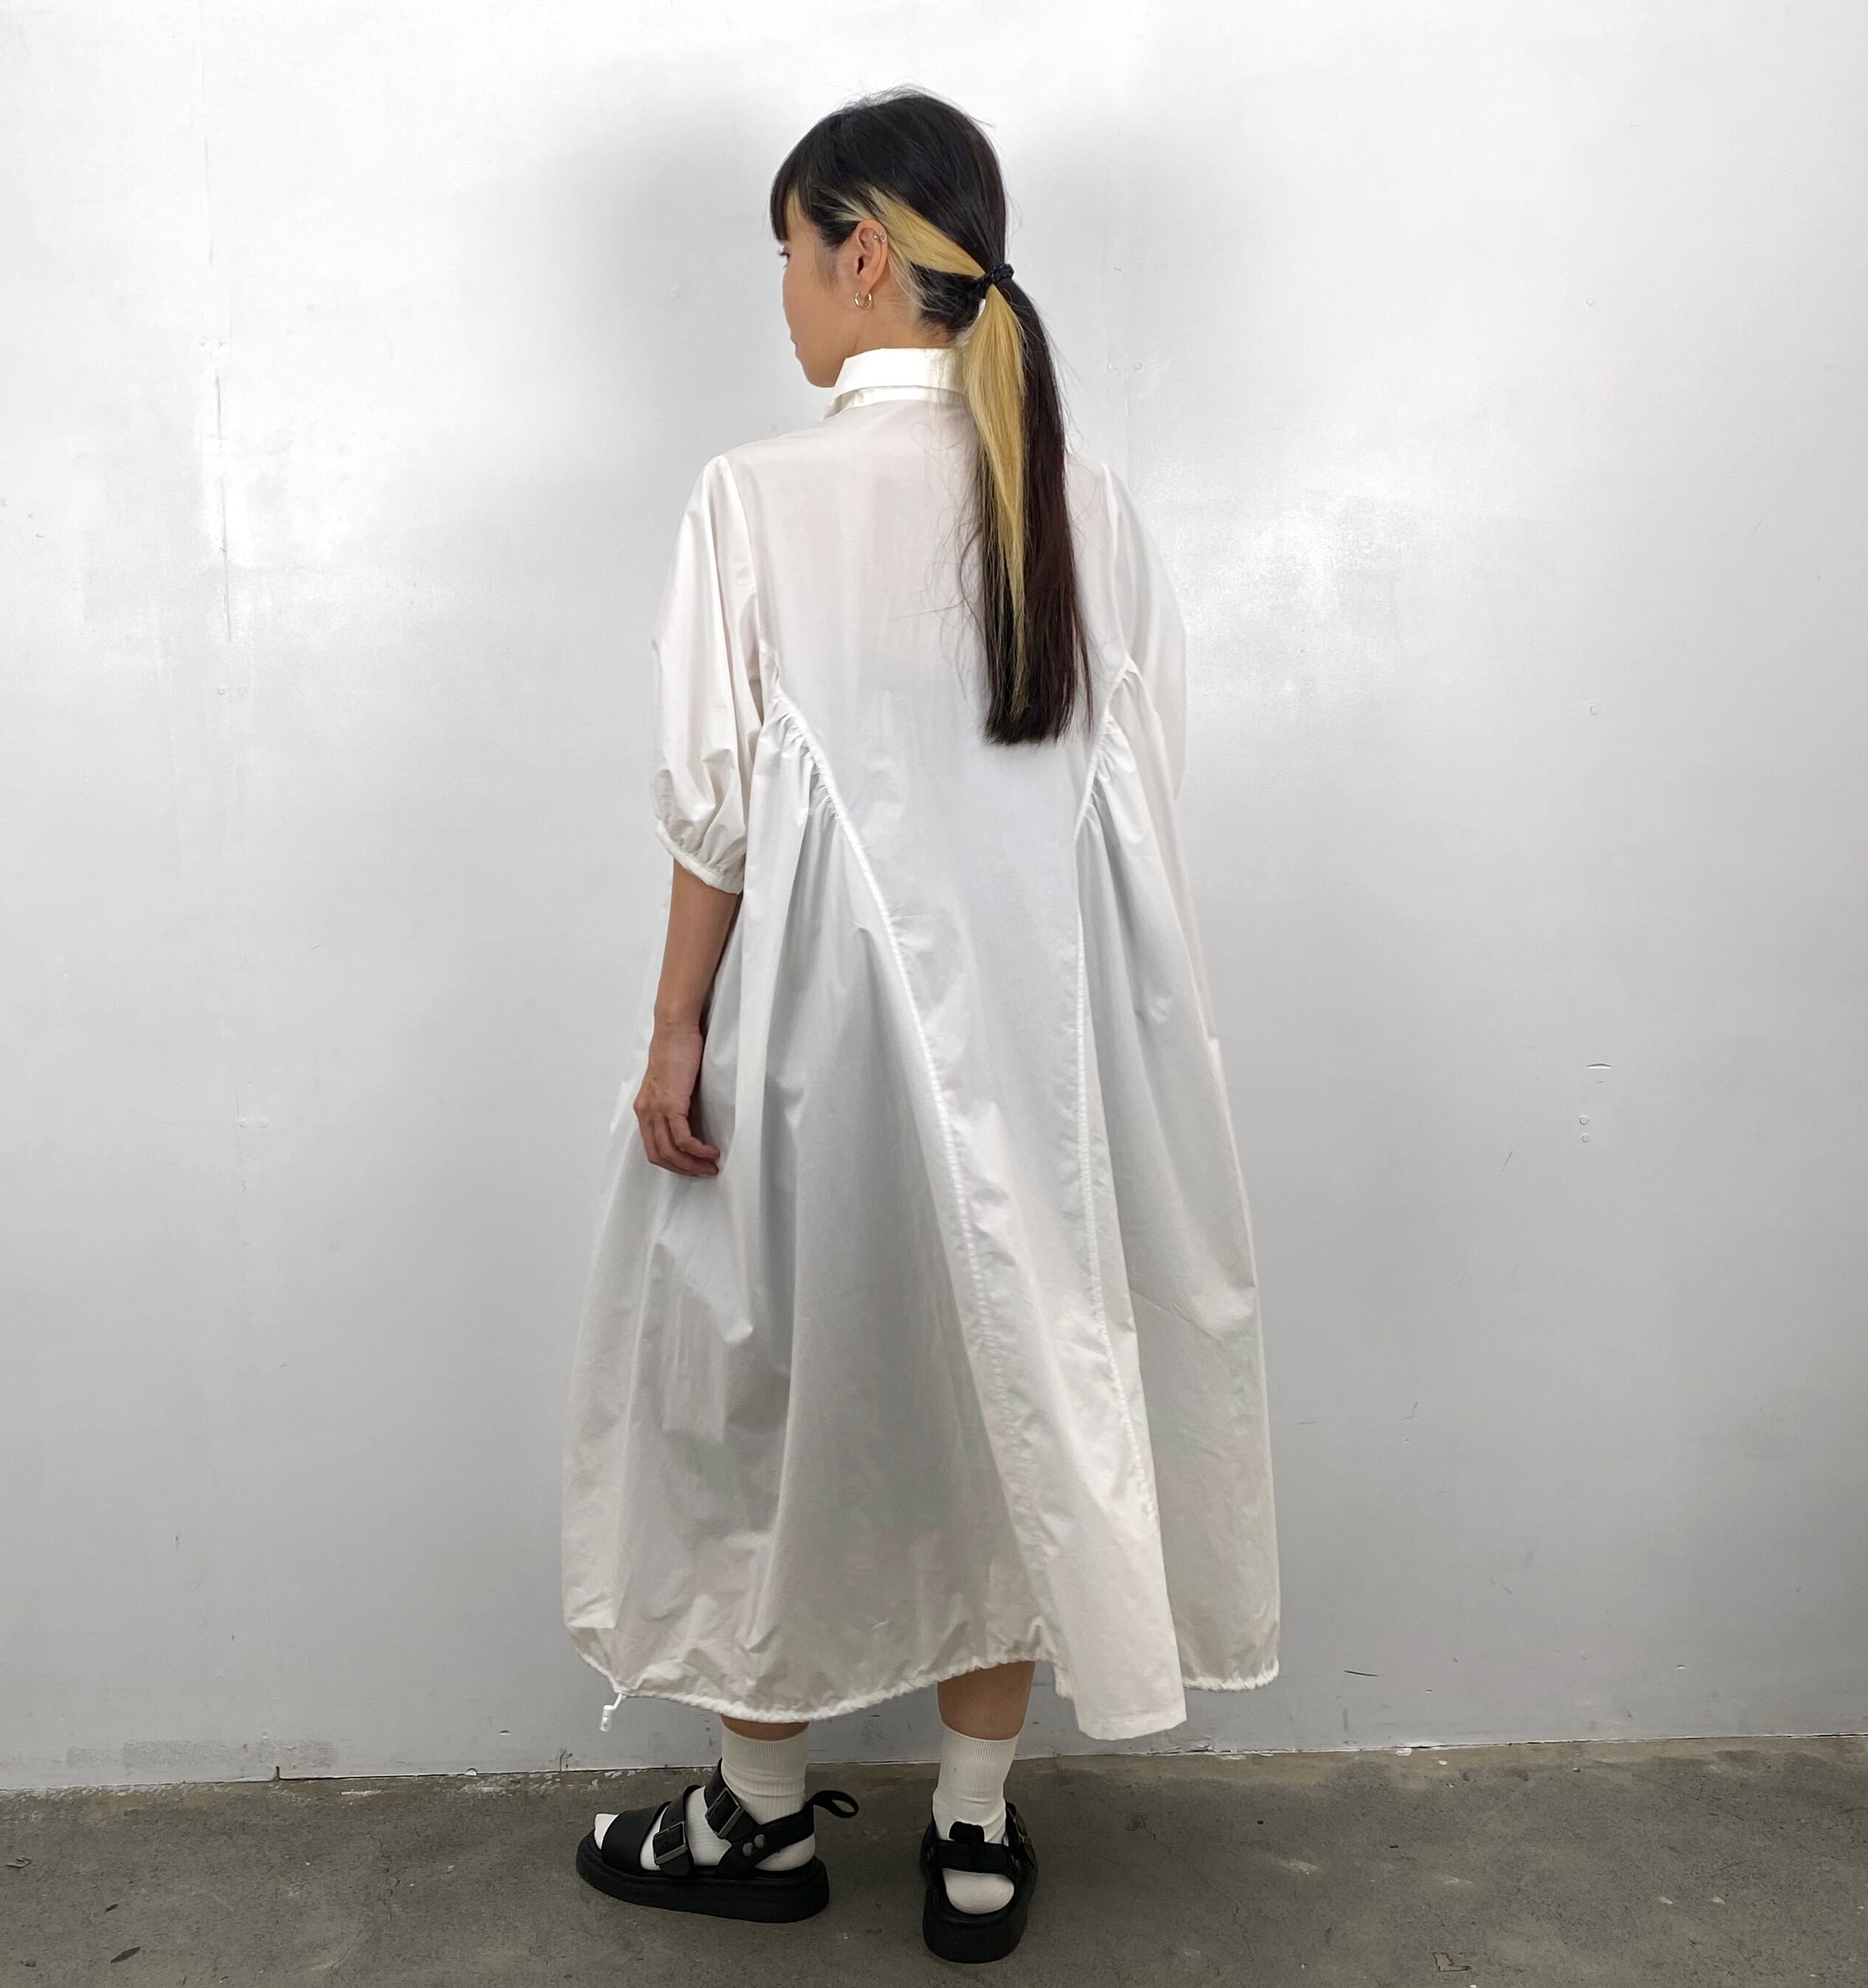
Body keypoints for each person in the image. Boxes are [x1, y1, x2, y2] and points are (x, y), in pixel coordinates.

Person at [562, 85, 1279, 1964]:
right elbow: (1138, 802)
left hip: (812, 1051)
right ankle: (971, 1831)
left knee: (764, 1395)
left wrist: (671, 1030)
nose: (785, 293)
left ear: (862, 253)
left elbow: (716, 814)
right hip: (1044, 1060)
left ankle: (759, 1816)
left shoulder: (754, 498)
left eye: (791, 254)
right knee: (1010, 1394)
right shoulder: (1084, 507)